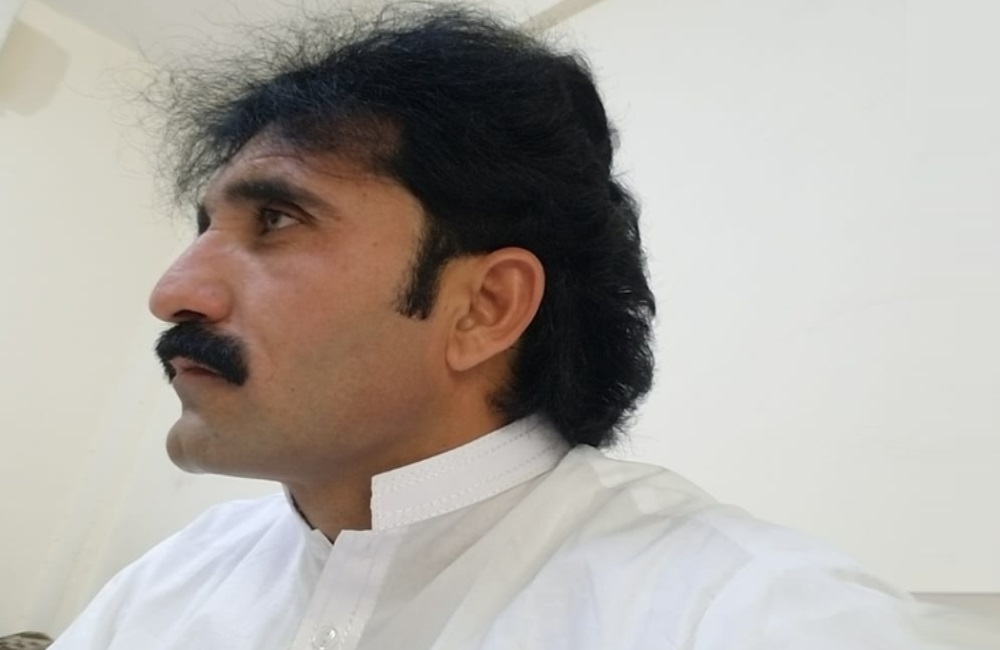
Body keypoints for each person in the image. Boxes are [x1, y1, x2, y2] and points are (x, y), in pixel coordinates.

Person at [51, 5, 999, 649]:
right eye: (203, 228)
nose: (173, 292)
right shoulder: (163, 587)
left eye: (277, 220)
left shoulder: (750, 612)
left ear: (485, 308)